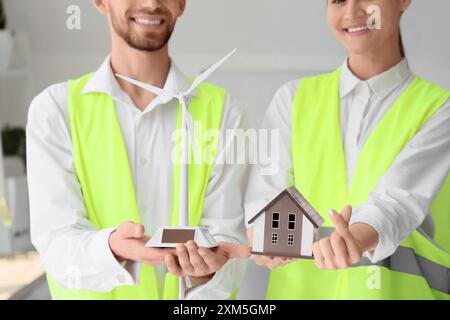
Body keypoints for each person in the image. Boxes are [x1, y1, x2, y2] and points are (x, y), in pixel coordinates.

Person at [27, 0, 249, 300]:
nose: (151, 3)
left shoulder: (224, 113)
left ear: (182, 3)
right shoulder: (55, 111)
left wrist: (208, 273)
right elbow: (56, 244)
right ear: (100, 2)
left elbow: (228, 243)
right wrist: (111, 248)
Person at [245, 0, 450, 299]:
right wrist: (265, 239)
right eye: (338, 0)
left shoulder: (438, 109)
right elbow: (265, 199)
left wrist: (354, 238)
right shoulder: (292, 99)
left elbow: (397, 203)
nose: (352, 11)